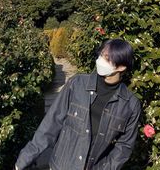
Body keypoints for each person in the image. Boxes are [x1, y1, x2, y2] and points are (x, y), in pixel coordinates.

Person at [14, 39, 141, 170]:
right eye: (101, 54)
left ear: (121, 67)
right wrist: (25, 158)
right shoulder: (77, 84)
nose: (100, 60)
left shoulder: (130, 105)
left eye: (107, 58)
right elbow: (51, 123)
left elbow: (124, 147)